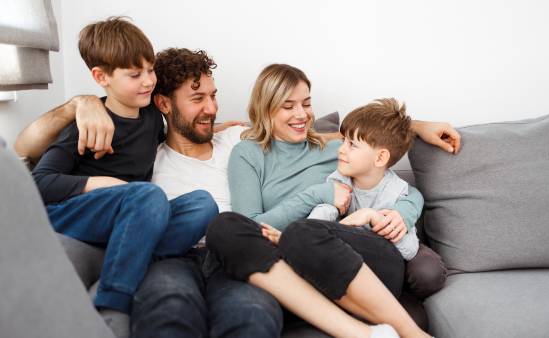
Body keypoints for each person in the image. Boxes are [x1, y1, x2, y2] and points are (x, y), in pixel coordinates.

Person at [15, 57, 461, 338]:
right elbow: (23, 150)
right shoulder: (141, 149)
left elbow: (352, 140)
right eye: (197, 99)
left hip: (242, 260)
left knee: (251, 316)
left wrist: (415, 126)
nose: (210, 108)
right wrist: (79, 103)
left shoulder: (239, 141)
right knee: (168, 308)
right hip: (177, 255)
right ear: (165, 106)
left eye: (212, 96)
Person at [206, 64, 457, 337]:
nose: (302, 114)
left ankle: (412, 333)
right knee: (223, 226)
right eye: (288, 106)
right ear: (266, 109)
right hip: (290, 267)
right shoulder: (247, 153)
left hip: (355, 258)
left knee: (304, 232)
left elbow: (392, 165)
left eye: (306, 103)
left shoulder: (336, 147)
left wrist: (401, 213)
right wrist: (319, 194)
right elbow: (252, 226)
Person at [28, 17, 218, 335]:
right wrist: (98, 183)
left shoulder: (151, 118)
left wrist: (218, 129)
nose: (147, 81)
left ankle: (130, 258)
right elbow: (38, 183)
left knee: (203, 204)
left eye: (150, 70)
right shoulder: (86, 124)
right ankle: (111, 303)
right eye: (134, 74)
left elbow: (180, 123)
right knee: (148, 194)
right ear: (101, 77)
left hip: (128, 215)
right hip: (74, 212)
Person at [275, 97, 446, 299]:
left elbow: (408, 250)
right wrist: (342, 223)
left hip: (386, 259)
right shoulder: (339, 180)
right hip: (351, 254)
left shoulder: (396, 193)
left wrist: (375, 219)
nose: (341, 149)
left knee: (427, 271)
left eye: (352, 145)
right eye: (343, 141)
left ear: (380, 158)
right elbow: (321, 215)